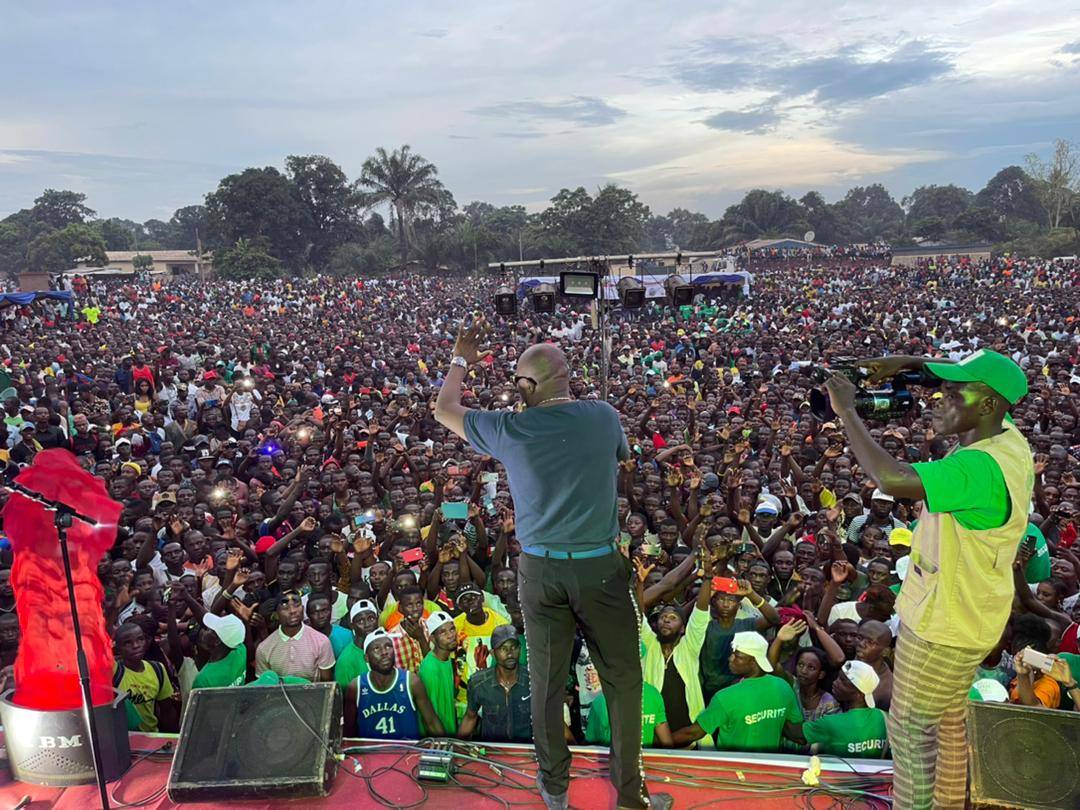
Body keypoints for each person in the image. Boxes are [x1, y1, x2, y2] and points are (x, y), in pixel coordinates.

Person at [435, 321, 666, 810]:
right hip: (601, 570)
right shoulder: (603, 416)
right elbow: (624, 459)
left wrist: (460, 359)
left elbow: (444, 409)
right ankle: (629, 796)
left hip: (539, 572)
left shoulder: (510, 428)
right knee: (623, 679)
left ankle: (554, 788)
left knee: (544, 679)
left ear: (526, 385)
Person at [824, 349, 1033, 809]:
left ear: (988, 405)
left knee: (910, 730)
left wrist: (847, 411)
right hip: (973, 613)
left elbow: (890, 477)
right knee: (950, 720)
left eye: (953, 393)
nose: (938, 399)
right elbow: (962, 380)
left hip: (943, 622)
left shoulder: (977, 468)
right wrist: (901, 363)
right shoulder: (1007, 440)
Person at [670, 631, 802, 751]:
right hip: (767, 766)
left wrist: (657, 742)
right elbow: (795, 730)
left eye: (737, 656)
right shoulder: (782, 686)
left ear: (754, 661)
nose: (730, 658)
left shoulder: (726, 697)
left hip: (733, 768)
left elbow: (693, 733)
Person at [343, 628, 444, 739]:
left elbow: (432, 723)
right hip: (371, 753)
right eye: (377, 648)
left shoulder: (412, 682)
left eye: (388, 646)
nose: (384, 652)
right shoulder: (356, 687)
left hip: (407, 752)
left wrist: (445, 748)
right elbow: (349, 730)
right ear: (366, 658)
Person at [784, 660, 889, 759]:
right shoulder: (884, 717)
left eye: (842, 681)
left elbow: (796, 734)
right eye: (838, 678)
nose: (835, 682)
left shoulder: (831, 723)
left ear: (859, 694)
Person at [458, 624, 533, 743]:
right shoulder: (478, 683)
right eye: (503, 648)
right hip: (493, 752)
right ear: (493, 653)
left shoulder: (534, 681)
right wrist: (458, 747)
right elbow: (470, 717)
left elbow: (551, 720)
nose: (510, 653)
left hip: (525, 751)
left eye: (514, 647)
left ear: (520, 649)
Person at [255, 590, 335, 682]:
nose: (292, 611)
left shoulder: (321, 642)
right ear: (276, 615)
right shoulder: (264, 648)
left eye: (297, 605)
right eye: (285, 608)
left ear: (303, 608)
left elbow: (326, 685)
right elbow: (264, 686)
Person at [418, 610, 460, 735]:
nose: (450, 635)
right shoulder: (430, 668)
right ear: (432, 638)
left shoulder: (447, 659)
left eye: (452, 629)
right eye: (443, 632)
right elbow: (429, 719)